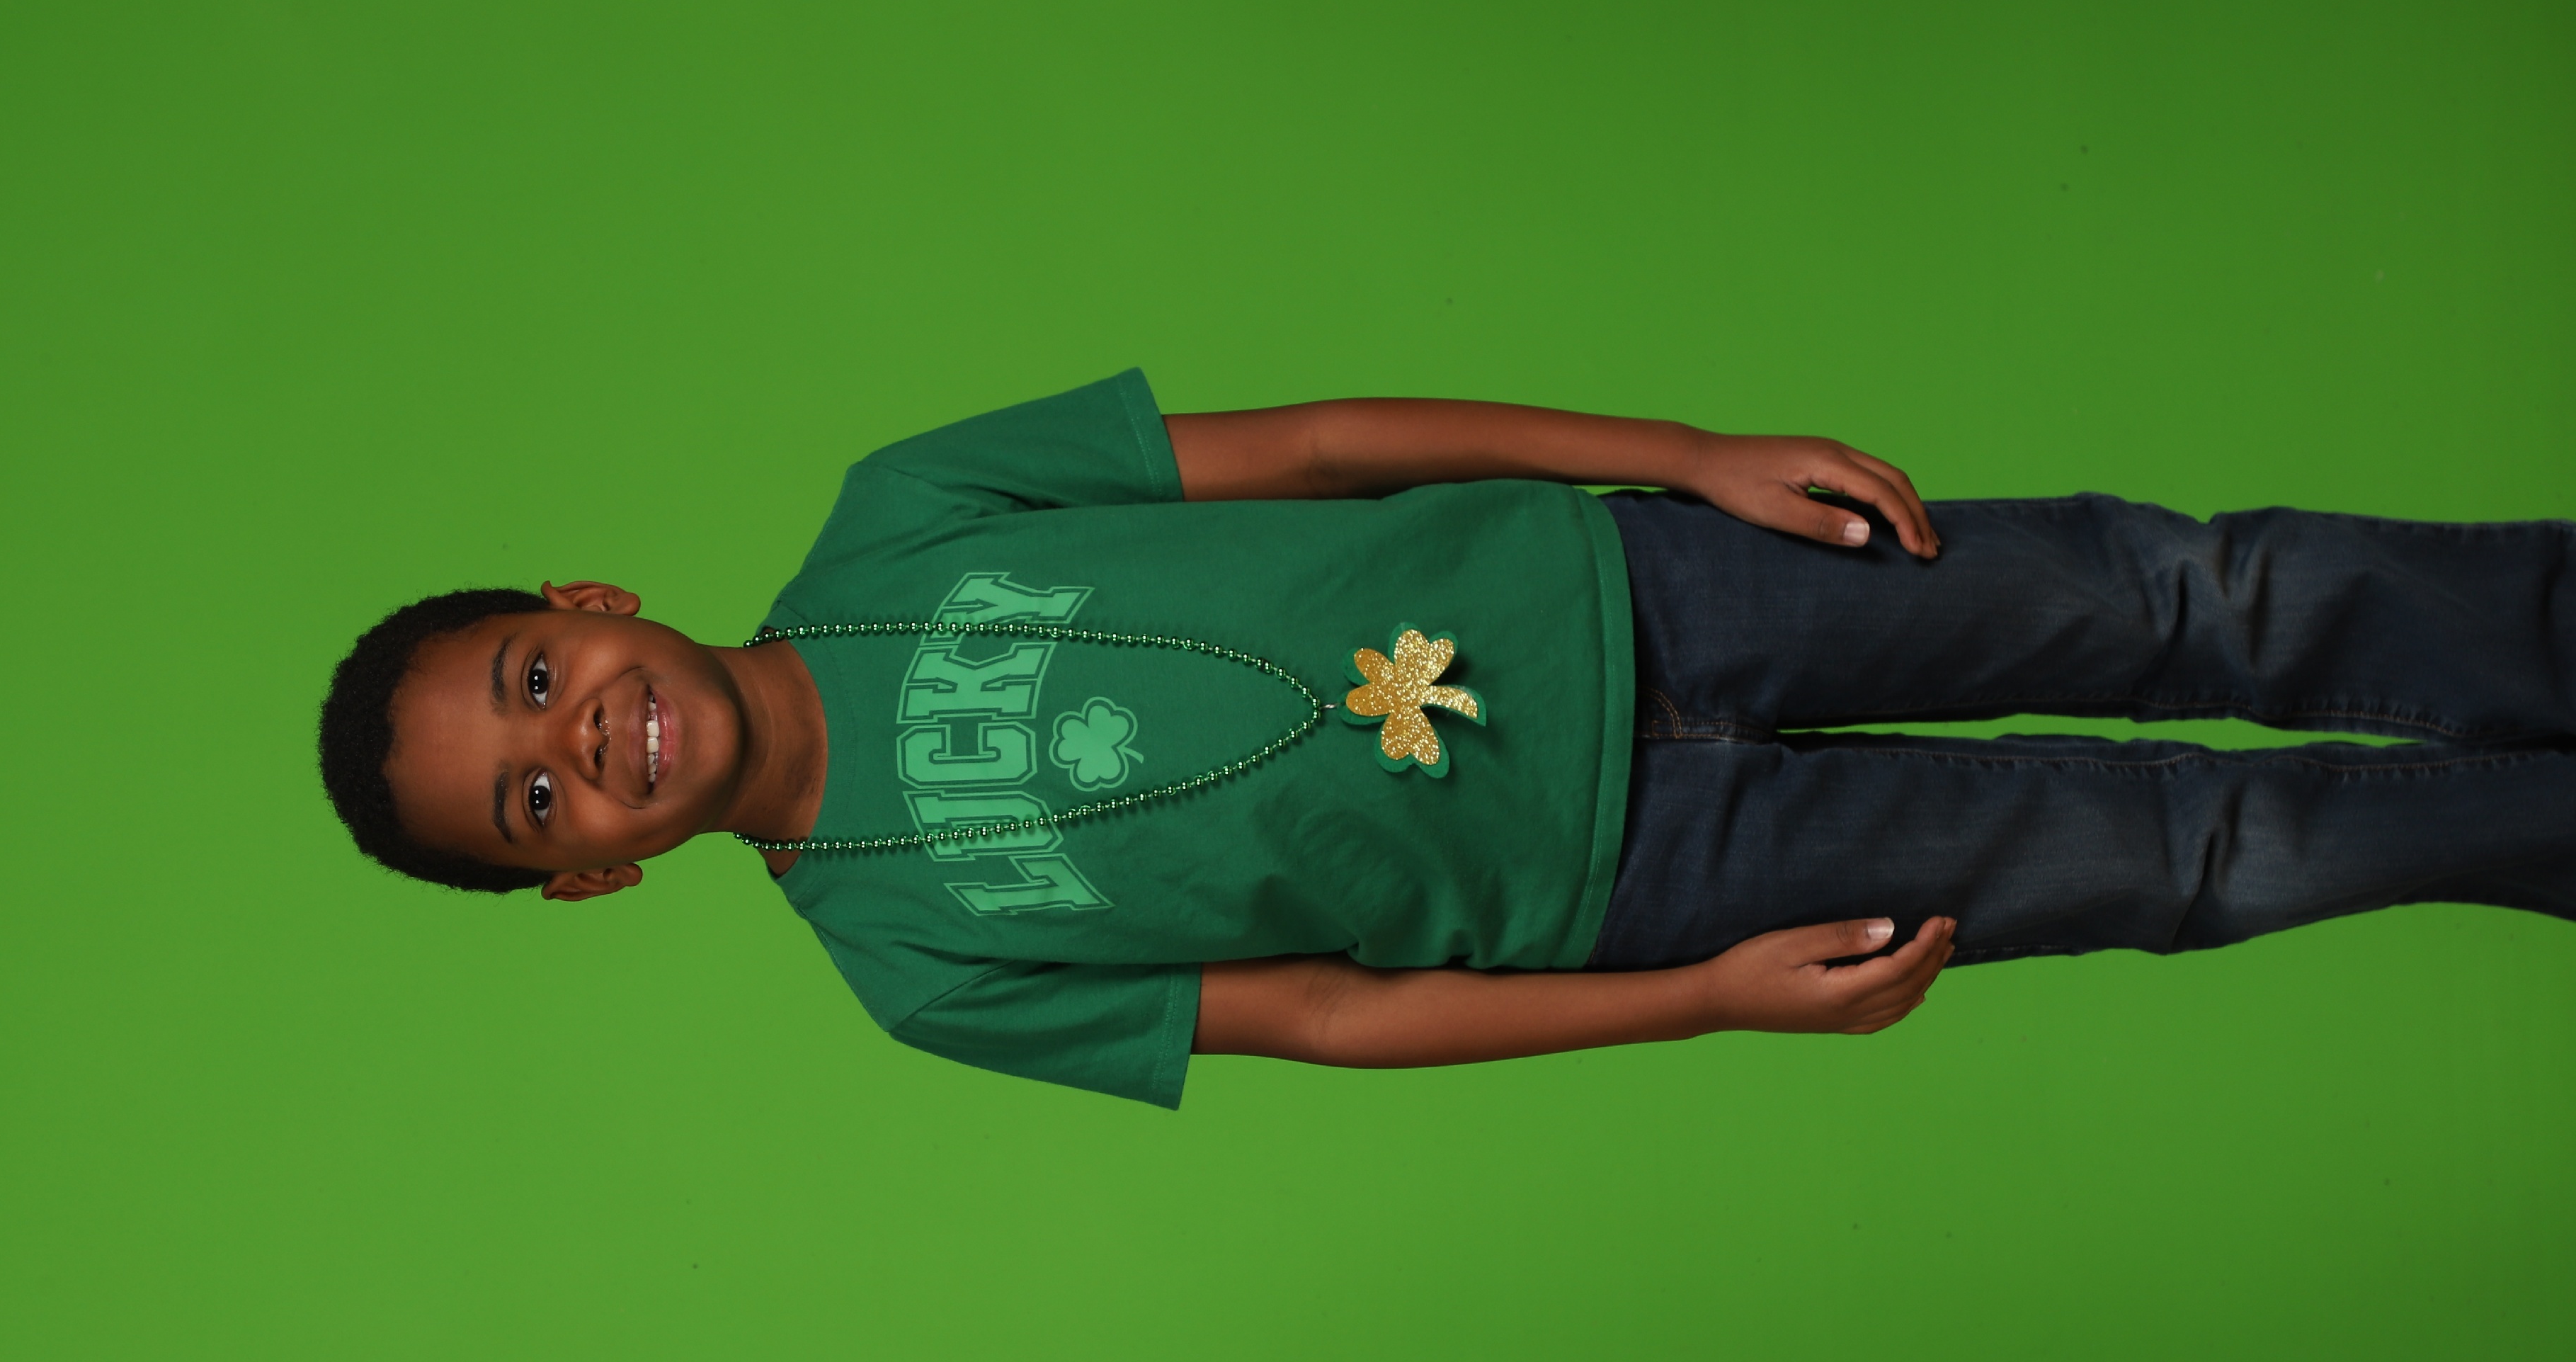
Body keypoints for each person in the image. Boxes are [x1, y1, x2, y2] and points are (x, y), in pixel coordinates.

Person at [317, 371, 2575, 1108]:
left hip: (1646, 583)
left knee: (2182, 593)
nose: (584, 739)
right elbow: (1323, 1013)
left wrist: (1682, 459)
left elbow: (1315, 450)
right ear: (589, 873)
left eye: (533, 680)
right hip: (1639, 882)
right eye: (537, 802)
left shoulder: (906, 509)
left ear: (582, 603)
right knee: (2190, 856)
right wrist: (1701, 996)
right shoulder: (914, 967)